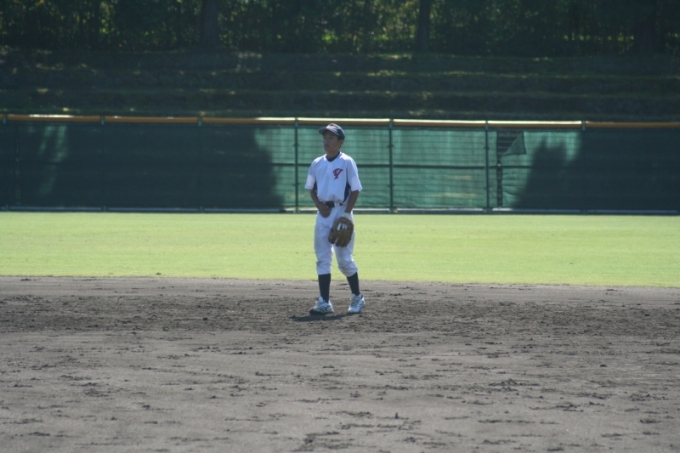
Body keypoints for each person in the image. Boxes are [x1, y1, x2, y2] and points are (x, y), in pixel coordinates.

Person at [305, 123, 365, 315]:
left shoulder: (347, 162)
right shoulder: (317, 163)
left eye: (331, 137)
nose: (326, 140)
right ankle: (324, 301)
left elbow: (355, 189)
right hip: (323, 213)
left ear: (340, 142)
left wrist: (347, 214)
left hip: (341, 212)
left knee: (344, 259)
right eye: (325, 137)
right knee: (322, 257)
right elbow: (311, 188)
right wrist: (318, 204)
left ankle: (357, 297)